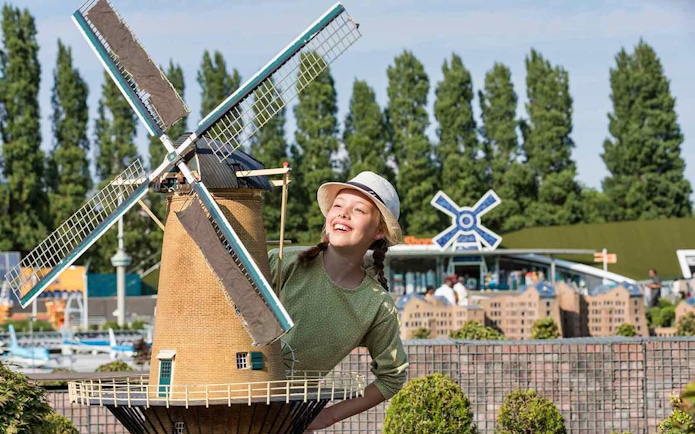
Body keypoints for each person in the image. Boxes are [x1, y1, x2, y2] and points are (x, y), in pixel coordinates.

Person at [268, 171, 408, 431]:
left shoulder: (376, 305)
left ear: (379, 231)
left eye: (358, 210)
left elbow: (392, 377)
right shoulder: (282, 262)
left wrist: (327, 416)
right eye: (338, 206)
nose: (343, 214)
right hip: (223, 406)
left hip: (285, 424)